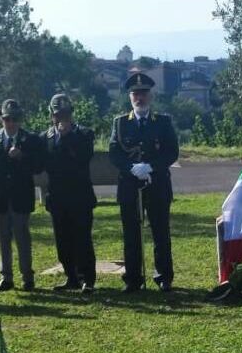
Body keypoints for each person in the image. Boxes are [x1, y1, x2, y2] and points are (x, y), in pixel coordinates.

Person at [108, 72, 179, 293]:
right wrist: (131, 169)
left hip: (157, 184)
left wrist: (150, 167)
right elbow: (114, 153)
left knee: (160, 232)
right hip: (130, 186)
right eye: (136, 94)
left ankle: (164, 277)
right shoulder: (120, 123)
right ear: (130, 97)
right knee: (131, 234)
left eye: (144, 94)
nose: (140, 98)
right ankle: (133, 278)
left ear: (151, 96)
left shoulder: (163, 122)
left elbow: (171, 152)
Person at [41, 93, 98, 294]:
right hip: (57, 197)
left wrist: (67, 138)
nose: (62, 119)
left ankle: (87, 279)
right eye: (58, 115)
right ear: (52, 116)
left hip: (80, 196)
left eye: (65, 114)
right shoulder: (45, 137)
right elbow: (42, 163)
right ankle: (71, 277)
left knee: (82, 238)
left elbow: (83, 158)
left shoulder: (84, 134)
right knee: (62, 240)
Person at [0, 99, 46, 292]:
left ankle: (27, 276)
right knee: (2, 237)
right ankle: (6, 277)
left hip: (21, 195)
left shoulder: (31, 140)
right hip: (0, 197)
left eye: (14, 119)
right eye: (7, 119)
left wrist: (22, 156)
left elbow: (38, 167)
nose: (11, 123)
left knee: (22, 235)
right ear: (0, 118)